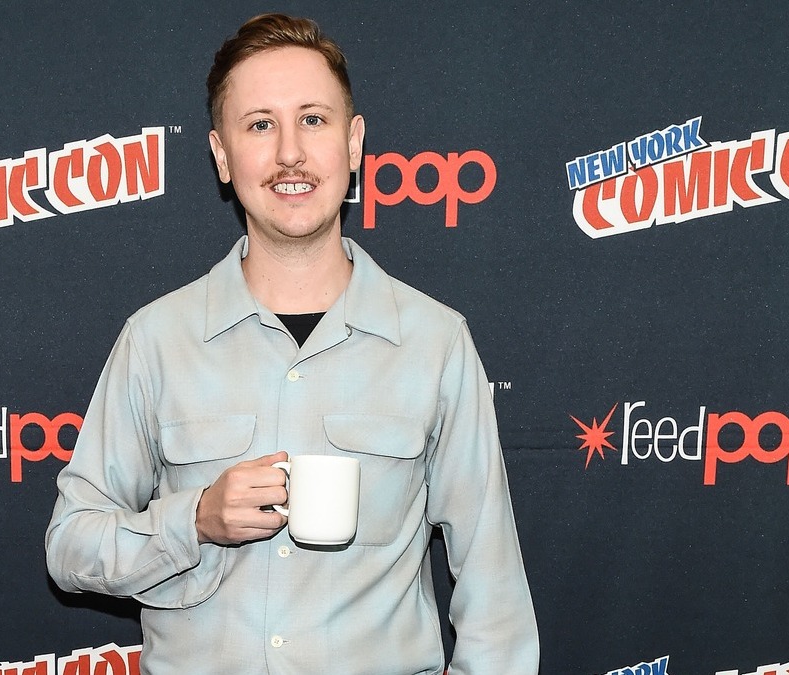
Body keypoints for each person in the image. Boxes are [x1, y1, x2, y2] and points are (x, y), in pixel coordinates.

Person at [46, 13, 539, 674]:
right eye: (259, 124)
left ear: (354, 141)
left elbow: (494, 597)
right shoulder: (157, 340)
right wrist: (192, 518)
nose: (289, 155)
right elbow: (71, 546)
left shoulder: (435, 342)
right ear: (222, 154)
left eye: (313, 119)